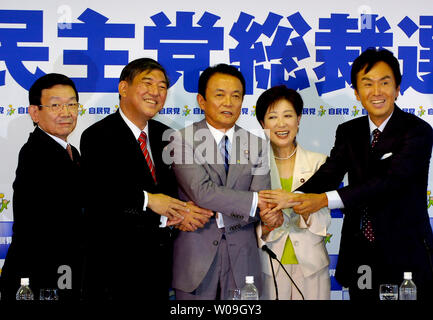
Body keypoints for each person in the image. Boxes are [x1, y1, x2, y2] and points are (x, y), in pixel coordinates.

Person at [284, 48, 433, 300]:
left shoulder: (417, 131)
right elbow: (329, 174)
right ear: (356, 92)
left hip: (406, 253)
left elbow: (388, 182)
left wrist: (322, 200)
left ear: (397, 89)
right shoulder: (348, 131)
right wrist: (292, 199)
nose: (376, 92)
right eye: (367, 84)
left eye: (385, 83)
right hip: (360, 253)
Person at [79, 58, 212, 301]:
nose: (156, 92)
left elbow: (171, 192)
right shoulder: (97, 136)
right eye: (147, 83)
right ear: (123, 88)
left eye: (162, 87)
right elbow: (101, 197)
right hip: (114, 271)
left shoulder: (166, 135)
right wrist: (148, 200)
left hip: (158, 270)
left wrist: (182, 210)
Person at [170, 63, 281, 300]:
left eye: (236, 96)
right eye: (219, 95)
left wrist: (256, 205)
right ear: (202, 100)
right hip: (195, 260)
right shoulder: (181, 140)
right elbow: (202, 193)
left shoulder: (258, 144)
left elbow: (262, 202)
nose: (228, 103)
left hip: (243, 260)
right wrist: (254, 202)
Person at [0, 73, 83, 301]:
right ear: (35, 113)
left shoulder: (70, 151)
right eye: (55, 105)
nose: (66, 112)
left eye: (72, 104)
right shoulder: (36, 152)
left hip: (60, 271)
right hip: (38, 276)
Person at [256, 85, 331, 300]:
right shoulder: (253, 165)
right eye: (272, 117)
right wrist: (266, 225)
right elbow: (244, 215)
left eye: (288, 115)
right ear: (263, 123)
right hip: (268, 264)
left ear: (298, 119)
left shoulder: (320, 163)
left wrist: (304, 208)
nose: (281, 124)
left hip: (311, 266)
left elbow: (326, 217)